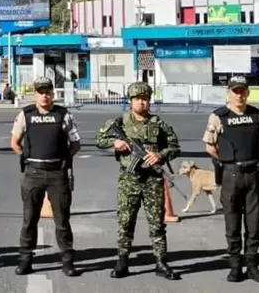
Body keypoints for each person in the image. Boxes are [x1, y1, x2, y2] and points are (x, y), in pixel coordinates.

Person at [95, 82, 181, 280]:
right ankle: (122, 261)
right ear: (130, 100)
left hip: (153, 180)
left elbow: (175, 147)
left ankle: (161, 261)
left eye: (145, 99)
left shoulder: (159, 124)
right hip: (129, 179)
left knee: (157, 224)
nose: (142, 102)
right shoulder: (120, 122)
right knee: (125, 222)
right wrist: (114, 143)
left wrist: (160, 156)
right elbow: (100, 139)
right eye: (137, 99)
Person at [203, 74, 259, 283]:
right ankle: (235, 266)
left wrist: (252, 158)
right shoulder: (218, 116)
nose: (239, 95)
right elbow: (210, 146)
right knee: (232, 223)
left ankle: (252, 265)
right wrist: (227, 162)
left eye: (243, 91)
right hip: (230, 175)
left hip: (253, 175)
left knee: (254, 223)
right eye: (235, 91)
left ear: (248, 93)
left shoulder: (258, 116)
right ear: (229, 93)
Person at [10, 76, 81, 276]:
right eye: (41, 92)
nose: (44, 96)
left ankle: (67, 261)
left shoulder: (63, 114)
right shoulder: (26, 114)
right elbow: (15, 142)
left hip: (58, 173)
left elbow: (75, 143)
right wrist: (26, 157)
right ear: (35, 94)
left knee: (62, 220)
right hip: (33, 174)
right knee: (29, 219)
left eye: (48, 92)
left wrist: (65, 160)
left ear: (53, 93)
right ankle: (25, 259)